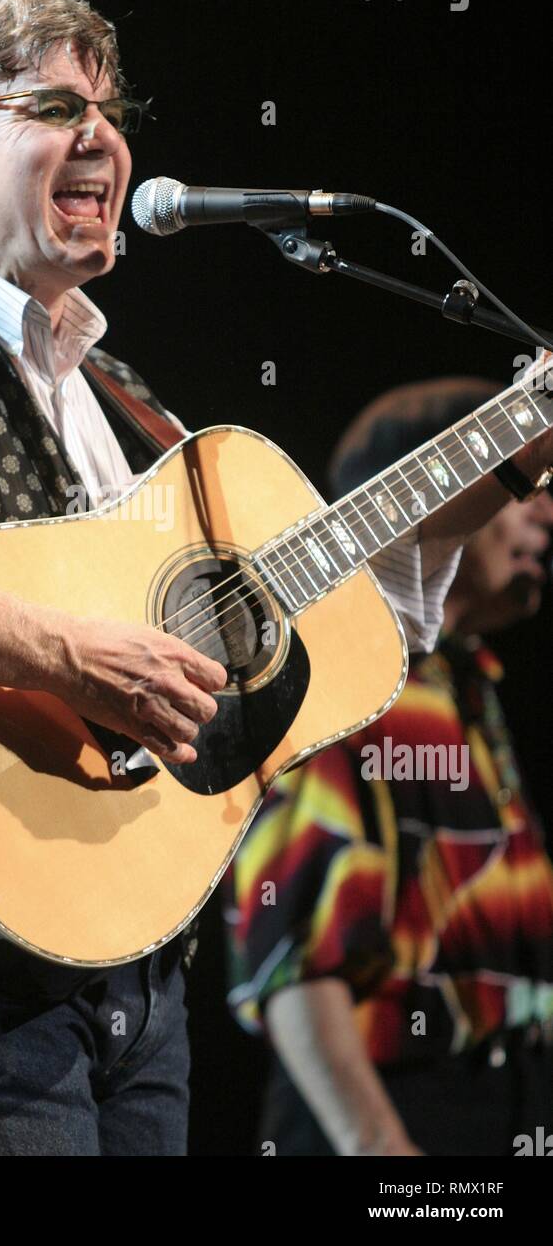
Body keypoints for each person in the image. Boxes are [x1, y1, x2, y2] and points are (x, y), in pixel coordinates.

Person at [0, 0, 553, 1156]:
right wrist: (66, 651)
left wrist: (483, 484)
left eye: (109, 108)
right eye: (53, 104)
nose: (102, 134)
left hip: (132, 955)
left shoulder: (114, 399)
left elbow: (332, 640)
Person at [224, 377, 553, 1157]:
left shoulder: (462, 688)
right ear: (429, 500)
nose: (544, 509)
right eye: (522, 482)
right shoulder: (351, 691)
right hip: (388, 1118)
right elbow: (292, 958)